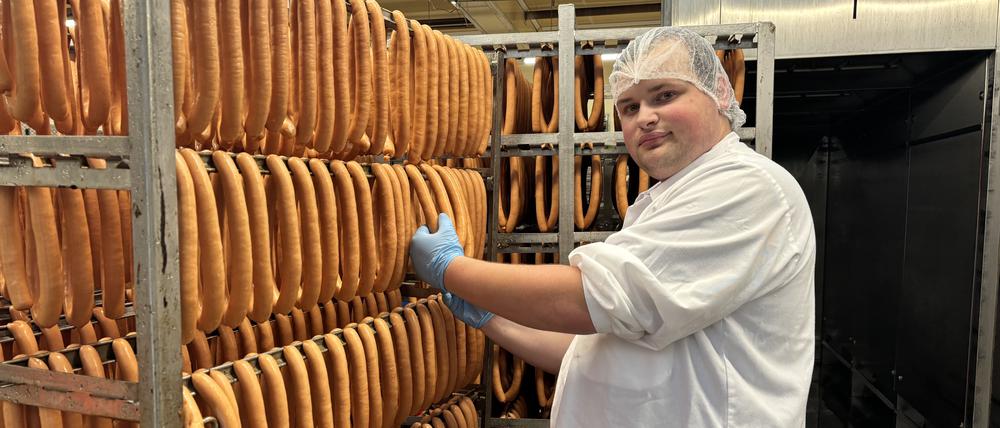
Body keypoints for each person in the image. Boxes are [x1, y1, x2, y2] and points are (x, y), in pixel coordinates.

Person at [410, 26, 816, 427]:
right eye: (629, 107)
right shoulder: (668, 198)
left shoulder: (745, 188)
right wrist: (492, 319)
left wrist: (452, 269)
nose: (646, 118)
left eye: (665, 95)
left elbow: (589, 300)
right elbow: (591, 351)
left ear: (719, 94)